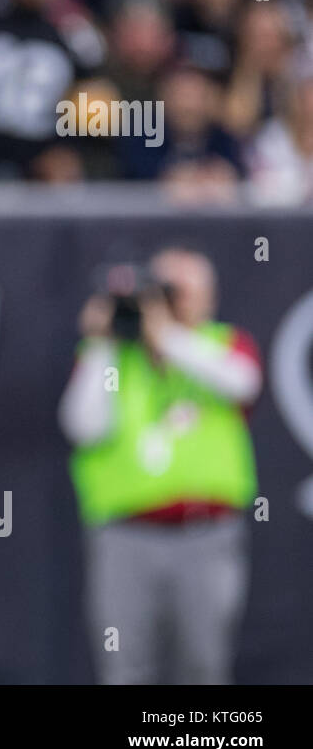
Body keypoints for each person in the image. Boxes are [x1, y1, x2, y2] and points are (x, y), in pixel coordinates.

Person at [58, 248, 261, 684]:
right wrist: (102, 342)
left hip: (205, 534)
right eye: (163, 292)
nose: (171, 302)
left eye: (179, 292)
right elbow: (83, 425)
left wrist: (165, 334)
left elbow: (241, 381)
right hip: (126, 536)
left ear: (210, 296)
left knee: (203, 665)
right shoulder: (115, 358)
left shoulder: (223, 344)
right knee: (124, 665)